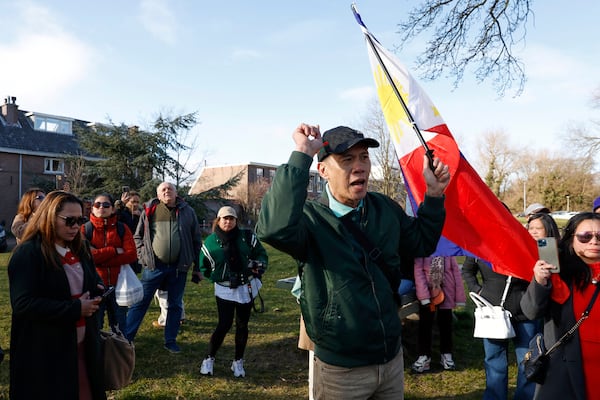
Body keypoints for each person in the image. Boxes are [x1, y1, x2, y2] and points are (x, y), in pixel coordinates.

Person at [256, 124, 450, 399]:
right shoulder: (310, 220)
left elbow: (421, 243)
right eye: (347, 160)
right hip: (340, 371)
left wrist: (433, 195)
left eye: (364, 157)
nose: (359, 167)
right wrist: (302, 154)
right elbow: (273, 229)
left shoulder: (384, 208)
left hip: (391, 360)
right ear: (323, 171)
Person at [8, 190, 106, 400]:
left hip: (82, 347)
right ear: (49, 217)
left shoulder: (80, 248)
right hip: (46, 353)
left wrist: (98, 289)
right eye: (69, 220)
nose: (75, 226)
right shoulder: (28, 254)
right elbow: (23, 304)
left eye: (80, 220)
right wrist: (75, 308)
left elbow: (93, 279)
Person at [520, 212, 600, 399]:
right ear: (572, 239)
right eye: (585, 236)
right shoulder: (558, 273)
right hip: (565, 371)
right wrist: (540, 280)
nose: (594, 241)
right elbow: (531, 311)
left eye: (599, 236)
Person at [124, 181, 202, 354]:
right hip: (154, 267)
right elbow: (137, 237)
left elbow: (196, 240)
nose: (167, 191)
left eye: (170, 189)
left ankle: (170, 341)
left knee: (174, 305)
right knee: (140, 303)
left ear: (176, 193)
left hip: (178, 268)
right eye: (163, 190)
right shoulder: (150, 210)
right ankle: (126, 339)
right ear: (158, 195)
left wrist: (197, 266)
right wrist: (143, 256)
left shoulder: (187, 211)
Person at [199, 206, 268, 377]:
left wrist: (255, 268)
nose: (228, 222)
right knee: (224, 324)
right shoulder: (210, 242)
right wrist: (218, 277)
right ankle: (209, 359)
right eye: (225, 219)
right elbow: (204, 267)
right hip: (224, 289)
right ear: (218, 220)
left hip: (246, 286)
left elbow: (261, 254)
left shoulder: (247, 237)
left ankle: (238, 361)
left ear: (236, 220)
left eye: (231, 219)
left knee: (242, 325)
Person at [85, 193, 137, 331]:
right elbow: (87, 257)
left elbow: (131, 255)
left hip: (119, 285)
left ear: (113, 209)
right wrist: (113, 250)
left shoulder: (122, 228)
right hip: (95, 285)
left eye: (106, 205)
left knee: (120, 325)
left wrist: (99, 258)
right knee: (96, 325)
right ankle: (98, 352)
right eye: (98, 204)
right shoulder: (85, 230)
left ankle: (120, 351)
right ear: (92, 208)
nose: (101, 207)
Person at [411, 255, 465, 373]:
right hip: (428, 295)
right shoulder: (423, 250)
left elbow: (456, 272)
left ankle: (446, 355)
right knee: (425, 325)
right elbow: (419, 272)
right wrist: (424, 296)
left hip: (446, 293)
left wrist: (460, 297)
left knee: (446, 325)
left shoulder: (448, 251)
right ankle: (424, 356)